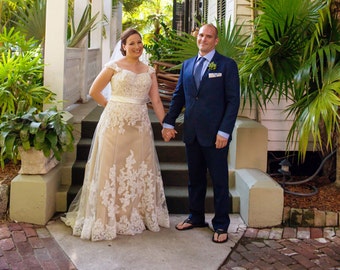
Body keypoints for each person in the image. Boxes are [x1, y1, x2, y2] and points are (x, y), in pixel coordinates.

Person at [61, 28, 170, 241]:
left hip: (139, 127)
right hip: (114, 125)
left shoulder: (149, 71)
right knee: (110, 168)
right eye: (131, 43)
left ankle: (133, 214)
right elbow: (94, 91)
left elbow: (156, 101)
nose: (137, 46)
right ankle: (106, 217)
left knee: (137, 168)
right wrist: (110, 105)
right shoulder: (113, 66)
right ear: (123, 46)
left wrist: (166, 125)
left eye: (139, 42)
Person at [162, 24, 240, 243]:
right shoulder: (187, 65)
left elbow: (233, 101)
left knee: (219, 181)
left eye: (209, 36)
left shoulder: (226, 65)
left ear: (216, 41)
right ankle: (195, 216)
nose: (203, 39)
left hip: (216, 135)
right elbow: (179, 97)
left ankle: (221, 225)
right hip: (192, 133)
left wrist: (224, 131)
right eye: (201, 35)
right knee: (194, 179)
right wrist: (169, 122)